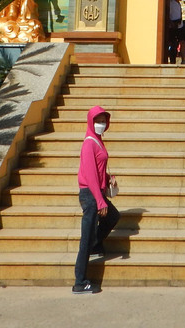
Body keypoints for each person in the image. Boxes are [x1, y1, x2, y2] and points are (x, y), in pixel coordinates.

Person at [74, 105, 120, 294]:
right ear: (90, 122)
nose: (101, 124)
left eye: (103, 121)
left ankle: (96, 244)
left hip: (97, 192)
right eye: (98, 121)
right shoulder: (89, 143)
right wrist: (100, 201)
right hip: (90, 195)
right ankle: (80, 282)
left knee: (113, 216)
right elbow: (90, 174)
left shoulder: (98, 141)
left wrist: (108, 179)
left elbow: (99, 170)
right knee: (86, 238)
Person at [166, 0, 184, 64]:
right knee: (173, 43)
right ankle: (172, 59)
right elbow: (169, 14)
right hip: (173, 25)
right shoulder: (171, 3)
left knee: (179, 43)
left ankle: (180, 59)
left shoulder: (178, 4)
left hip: (179, 25)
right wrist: (171, 23)